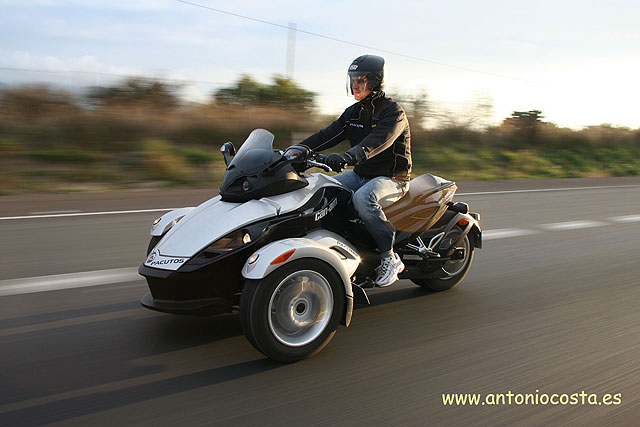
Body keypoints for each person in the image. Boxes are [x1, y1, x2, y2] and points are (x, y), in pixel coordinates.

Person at [299, 54, 412, 287]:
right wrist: (296, 150)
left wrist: (347, 157)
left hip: (393, 178)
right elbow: (326, 135)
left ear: (376, 81)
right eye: (352, 79)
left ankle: (389, 256)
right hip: (361, 174)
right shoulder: (354, 113)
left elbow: (377, 141)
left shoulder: (393, 112)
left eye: (361, 80)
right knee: (320, 187)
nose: (355, 85)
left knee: (363, 198)